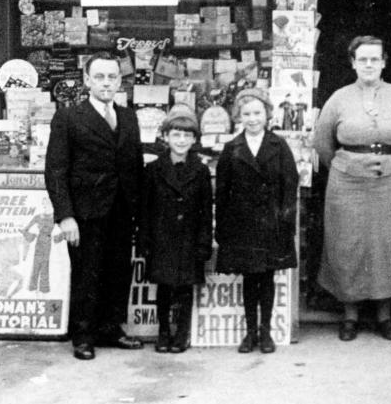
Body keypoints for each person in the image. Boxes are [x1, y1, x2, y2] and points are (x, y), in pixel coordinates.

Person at [313, 35, 391, 341]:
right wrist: (348, 165)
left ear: (384, 62)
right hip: (347, 180)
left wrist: (389, 160)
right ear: (353, 63)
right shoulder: (339, 98)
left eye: (375, 58)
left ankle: (385, 315)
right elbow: (322, 142)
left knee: (389, 244)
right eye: (363, 59)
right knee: (348, 243)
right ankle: (350, 315)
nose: (369, 64)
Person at [44, 52, 144, 360]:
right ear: (87, 80)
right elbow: (56, 169)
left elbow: (134, 165)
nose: (106, 83)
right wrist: (66, 216)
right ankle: (83, 335)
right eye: (99, 77)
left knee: (117, 272)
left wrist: (138, 211)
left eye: (112, 77)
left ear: (119, 80)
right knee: (87, 274)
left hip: (121, 210)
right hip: (86, 213)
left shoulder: (127, 117)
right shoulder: (69, 117)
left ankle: (111, 329)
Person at [215, 88, 299, 354]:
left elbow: (290, 184)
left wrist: (286, 220)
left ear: (267, 114)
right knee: (250, 279)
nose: (252, 119)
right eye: (246, 113)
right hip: (242, 225)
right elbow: (222, 191)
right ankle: (250, 332)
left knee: (267, 278)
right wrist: (223, 226)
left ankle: (266, 332)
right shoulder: (232, 148)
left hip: (271, 224)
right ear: (239, 116)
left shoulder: (278, 146)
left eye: (257, 113)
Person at [138, 112, 213, 354]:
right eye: (176, 135)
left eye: (187, 136)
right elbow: (145, 210)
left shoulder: (200, 171)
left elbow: (205, 211)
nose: (181, 140)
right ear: (165, 137)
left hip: (189, 239)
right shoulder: (153, 169)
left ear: (194, 140)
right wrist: (145, 240)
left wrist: (204, 242)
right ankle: (163, 332)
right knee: (164, 286)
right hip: (162, 238)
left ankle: (182, 333)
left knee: (185, 288)